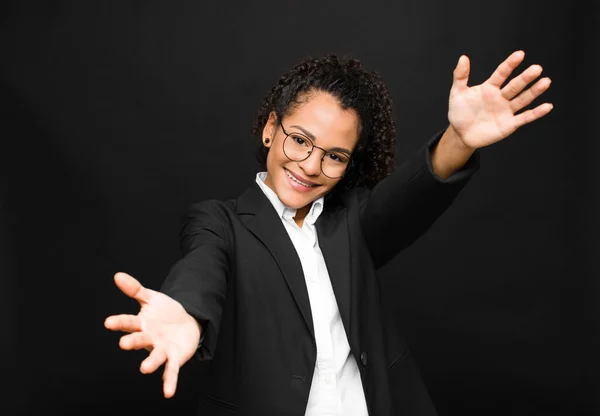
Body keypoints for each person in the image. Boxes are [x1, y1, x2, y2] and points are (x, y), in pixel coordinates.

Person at [104, 50, 552, 415]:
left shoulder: (354, 219)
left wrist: (460, 138)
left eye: (335, 156)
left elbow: (412, 197)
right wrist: (187, 316)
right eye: (299, 140)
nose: (311, 166)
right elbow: (202, 269)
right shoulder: (220, 222)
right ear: (270, 130)